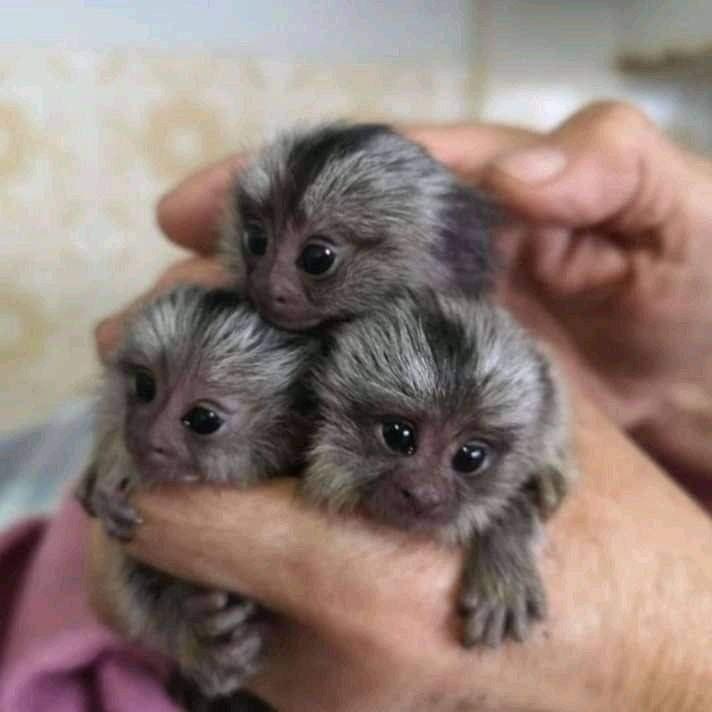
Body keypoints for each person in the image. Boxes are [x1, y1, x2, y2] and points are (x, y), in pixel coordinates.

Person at [90, 102, 712, 711]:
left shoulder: (497, 370)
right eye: (257, 239)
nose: (269, 281)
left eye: (319, 260)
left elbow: (529, 469)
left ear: (442, 257)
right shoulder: (237, 339)